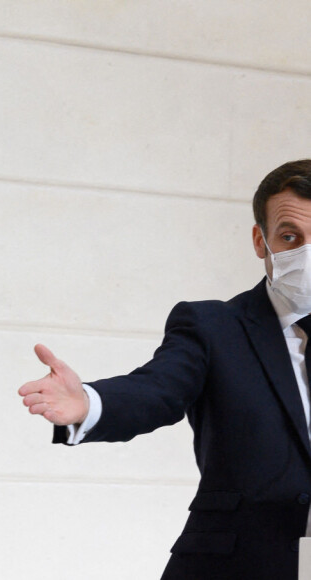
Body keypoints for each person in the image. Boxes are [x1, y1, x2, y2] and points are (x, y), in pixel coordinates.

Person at [18, 159, 311, 580]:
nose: (306, 251)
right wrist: (88, 403)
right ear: (260, 241)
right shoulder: (213, 327)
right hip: (234, 564)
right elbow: (157, 390)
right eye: (289, 236)